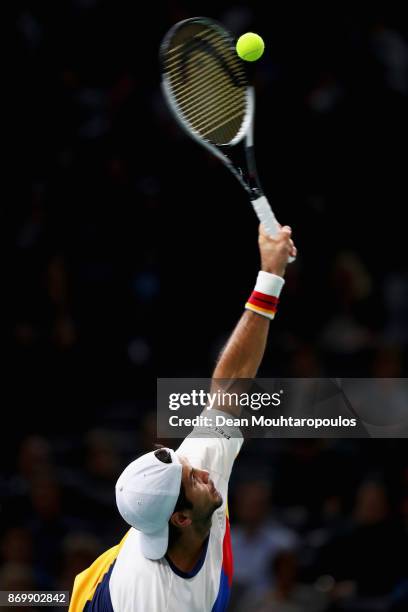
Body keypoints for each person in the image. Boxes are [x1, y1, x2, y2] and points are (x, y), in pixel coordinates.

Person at [69, 224, 297, 611]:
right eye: (193, 480)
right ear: (180, 519)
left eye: (188, 467)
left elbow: (230, 385)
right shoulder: (159, 600)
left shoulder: (189, 476)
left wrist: (270, 275)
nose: (202, 471)